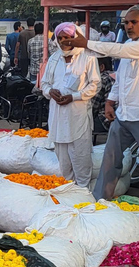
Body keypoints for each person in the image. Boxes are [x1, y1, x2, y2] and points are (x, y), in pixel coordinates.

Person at [61, 4, 139, 205]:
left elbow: (118, 50)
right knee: (110, 161)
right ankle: (100, 201)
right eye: (126, 22)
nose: (129, 26)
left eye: (133, 22)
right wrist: (110, 101)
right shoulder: (129, 46)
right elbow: (121, 78)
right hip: (124, 115)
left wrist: (87, 43)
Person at [40, 23, 100, 188]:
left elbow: (95, 85)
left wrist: (73, 97)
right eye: (60, 38)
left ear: (75, 37)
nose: (64, 41)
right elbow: (44, 83)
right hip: (58, 119)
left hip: (78, 118)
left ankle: (83, 199)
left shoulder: (87, 57)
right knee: (65, 168)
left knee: (81, 163)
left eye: (67, 37)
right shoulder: (54, 59)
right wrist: (50, 91)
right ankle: (70, 199)